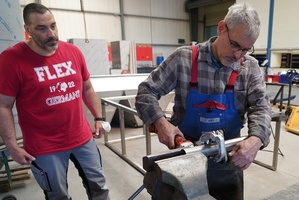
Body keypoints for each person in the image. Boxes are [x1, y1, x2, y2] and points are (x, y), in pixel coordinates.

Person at [135, 2, 271, 200]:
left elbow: (261, 106)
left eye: (245, 49)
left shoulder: (249, 67)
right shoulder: (184, 59)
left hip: (228, 163)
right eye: (234, 45)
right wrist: (160, 122)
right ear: (222, 28)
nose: (237, 55)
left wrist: (256, 139)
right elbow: (145, 92)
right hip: (184, 159)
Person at [0, 3, 109, 200]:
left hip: (82, 138)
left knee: (99, 188)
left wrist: (99, 117)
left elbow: (86, 87)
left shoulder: (73, 52)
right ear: (27, 30)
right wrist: (12, 146)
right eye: (41, 28)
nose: (51, 34)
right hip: (44, 147)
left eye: (53, 26)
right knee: (57, 196)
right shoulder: (11, 59)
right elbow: (3, 106)